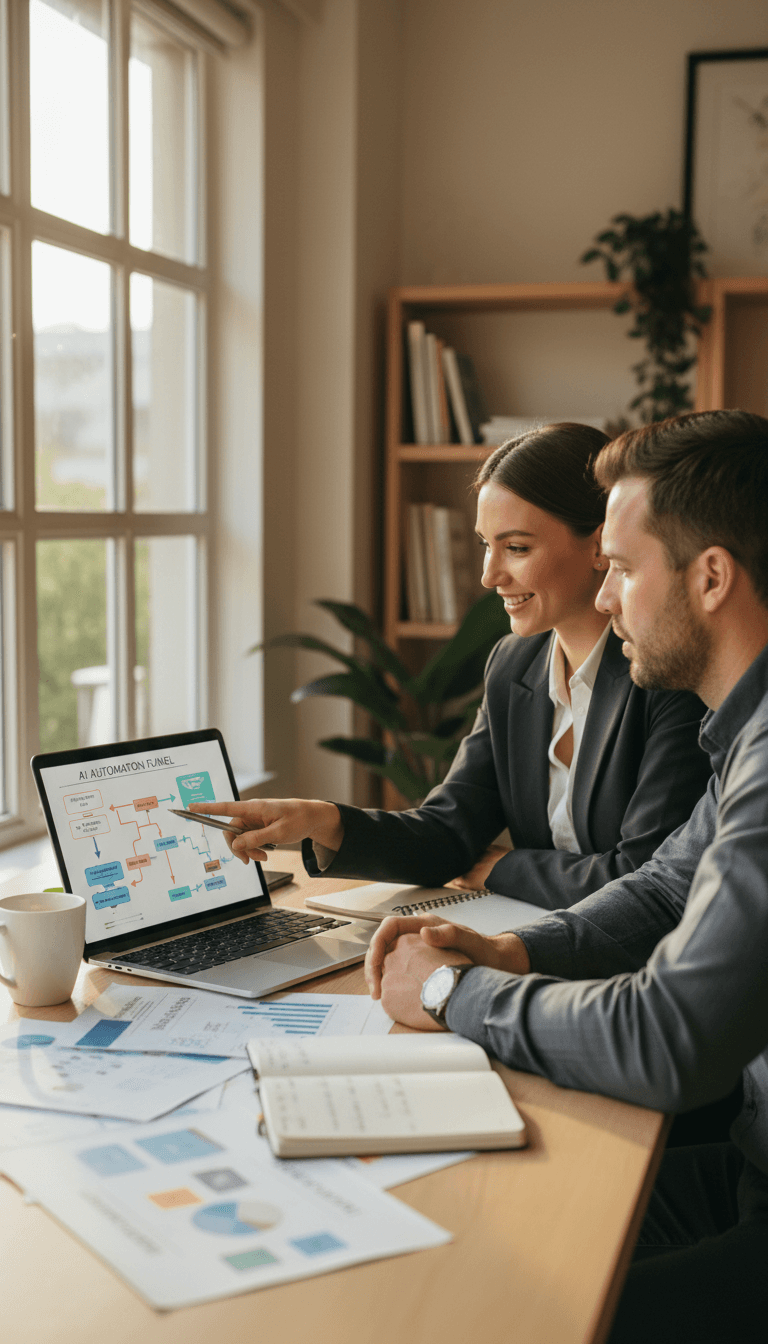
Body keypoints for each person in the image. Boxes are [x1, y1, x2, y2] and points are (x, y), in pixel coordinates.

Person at [363, 408, 768, 1343]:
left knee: (509, 1314)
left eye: (623, 569)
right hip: (749, 1163)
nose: (610, 597)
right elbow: (666, 886)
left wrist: (458, 992)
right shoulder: (743, 736)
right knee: (477, 1228)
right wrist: (510, 947)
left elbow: (666, 1037)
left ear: (710, 578)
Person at [198, 422, 709, 910]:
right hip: (531, 932)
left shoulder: (666, 672)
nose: (490, 576)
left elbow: (643, 877)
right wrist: (322, 821)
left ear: (600, 546)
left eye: (516, 548)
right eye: (487, 545)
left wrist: (498, 868)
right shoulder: (514, 664)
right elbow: (448, 831)